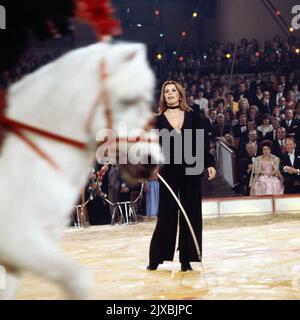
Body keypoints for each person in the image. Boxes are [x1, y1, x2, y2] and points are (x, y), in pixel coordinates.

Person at [147, 80, 216, 272]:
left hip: (191, 169)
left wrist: (209, 163)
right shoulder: (158, 119)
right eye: (166, 91)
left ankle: (186, 259)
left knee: (190, 213)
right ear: (163, 96)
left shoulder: (194, 117)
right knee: (166, 214)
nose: (170, 94)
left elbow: (203, 142)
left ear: (180, 94)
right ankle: (156, 258)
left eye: (173, 91)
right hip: (169, 170)